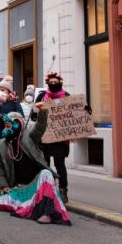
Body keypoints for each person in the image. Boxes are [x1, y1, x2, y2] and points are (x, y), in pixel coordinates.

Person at [0, 108, 71, 225]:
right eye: (4, 125)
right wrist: (5, 186)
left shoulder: (29, 135)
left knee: (46, 174)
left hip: (38, 184)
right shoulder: (1, 144)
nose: (5, 129)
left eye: (8, 125)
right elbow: (0, 169)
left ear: (18, 124)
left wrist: (42, 112)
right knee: (1, 202)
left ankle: (46, 213)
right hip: (19, 186)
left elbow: (40, 126)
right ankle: (31, 205)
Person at [33, 71, 72, 203]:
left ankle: (63, 190)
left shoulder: (66, 96)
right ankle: (45, 189)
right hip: (45, 138)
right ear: (48, 83)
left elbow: (74, 114)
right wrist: (39, 109)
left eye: (56, 82)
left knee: (60, 164)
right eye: (51, 82)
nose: (53, 84)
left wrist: (84, 110)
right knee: (45, 165)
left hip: (60, 139)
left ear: (60, 83)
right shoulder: (42, 96)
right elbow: (34, 115)